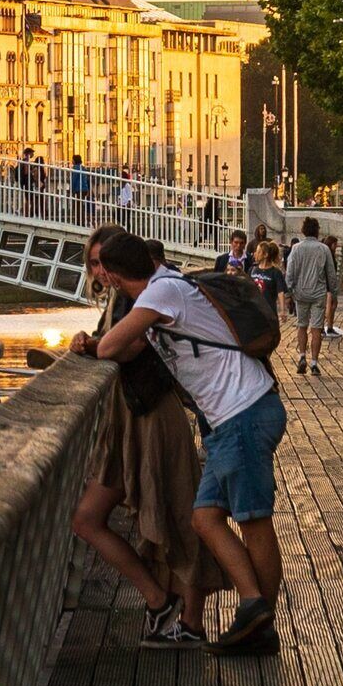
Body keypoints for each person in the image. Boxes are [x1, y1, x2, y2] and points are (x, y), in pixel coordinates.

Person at [93, 228, 287, 654]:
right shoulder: (167, 287)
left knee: (254, 521)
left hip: (243, 412)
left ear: (114, 275)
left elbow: (110, 347)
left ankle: (261, 623)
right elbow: (131, 345)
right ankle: (254, 607)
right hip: (229, 419)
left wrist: (94, 343)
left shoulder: (161, 294)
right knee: (204, 518)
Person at [68, 224, 222, 646]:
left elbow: (127, 348)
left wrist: (93, 345)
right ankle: (158, 600)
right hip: (126, 417)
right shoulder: (125, 297)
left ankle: (191, 622)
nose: (100, 272)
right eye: (93, 263)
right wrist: (94, 341)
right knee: (86, 519)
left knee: (180, 517)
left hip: (154, 416)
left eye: (104, 263)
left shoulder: (148, 295)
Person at [280, 222, 337, 377]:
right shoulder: (324, 249)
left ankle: (302, 356)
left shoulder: (296, 248)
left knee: (302, 325)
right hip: (318, 292)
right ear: (317, 231)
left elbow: (290, 272)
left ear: (303, 231)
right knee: (316, 328)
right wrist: (333, 292)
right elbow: (331, 274)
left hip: (301, 292)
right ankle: (314, 362)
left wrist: (288, 292)